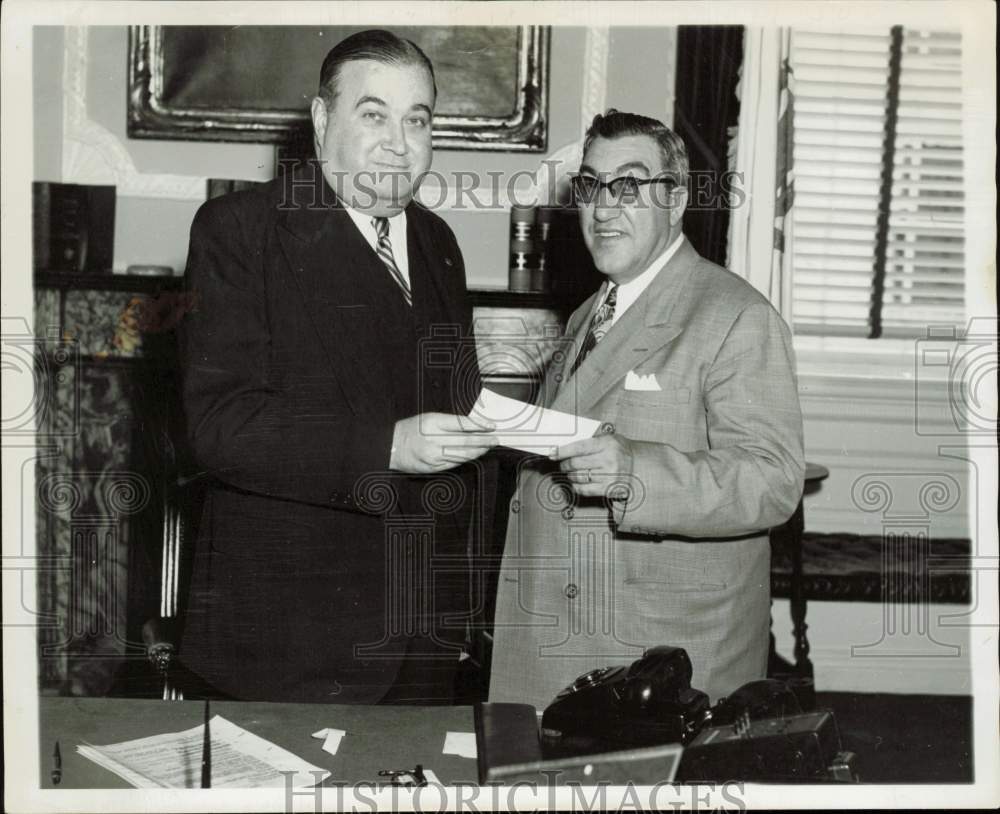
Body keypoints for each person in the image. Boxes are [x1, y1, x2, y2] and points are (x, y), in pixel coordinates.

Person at [177, 29, 495, 704]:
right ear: (322, 122)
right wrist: (388, 446)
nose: (398, 143)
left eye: (418, 120)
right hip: (285, 643)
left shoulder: (439, 243)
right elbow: (222, 425)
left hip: (418, 648)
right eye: (373, 114)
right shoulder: (239, 232)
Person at [488, 110, 805, 710]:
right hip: (564, 639)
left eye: (629, 186)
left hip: (662, 657)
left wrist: (633, 471)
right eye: (590, 185)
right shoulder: (587, 315)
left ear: (677, 198)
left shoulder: (736, 315)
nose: (604, 207)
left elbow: (774, 481)